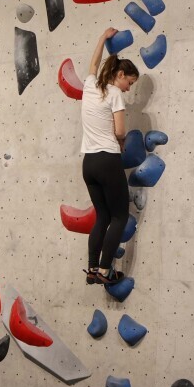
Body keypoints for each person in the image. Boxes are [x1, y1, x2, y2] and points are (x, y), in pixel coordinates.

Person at [81, 28, 139, 285]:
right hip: (107, 160)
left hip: (89, 163)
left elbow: (93, 64)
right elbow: (120, 130)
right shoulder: (114, 94)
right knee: (119, 217)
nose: (128, 89)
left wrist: (102, 38)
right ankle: (106, 271)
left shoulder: (90, 85)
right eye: (130, 83)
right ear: (120, 75)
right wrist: (122, 141)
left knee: (102, 217)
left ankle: (92, 269)